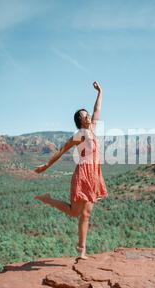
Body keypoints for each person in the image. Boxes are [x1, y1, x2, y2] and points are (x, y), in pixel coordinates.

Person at [33, 81, 108, 260]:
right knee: (80, 213)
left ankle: (48, 200)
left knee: (79, 213)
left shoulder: (93, 130)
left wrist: (100, 92)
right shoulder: (79, 135)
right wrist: (45, 166)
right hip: (83, 174)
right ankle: (81, 249)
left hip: (94, 175)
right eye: (84, 115)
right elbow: (61, 151)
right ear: (79, 120)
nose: (88, 115)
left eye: (87, 114)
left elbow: (97, 110)